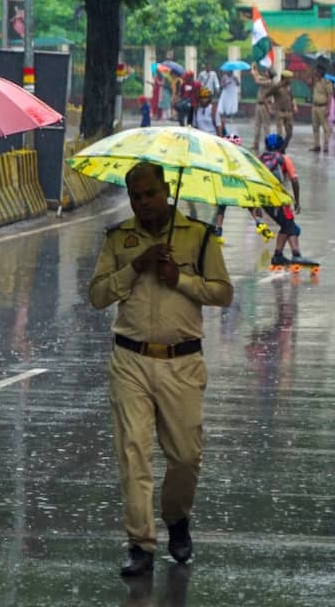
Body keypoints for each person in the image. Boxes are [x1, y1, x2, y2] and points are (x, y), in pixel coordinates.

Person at [89, 161, 233, 576]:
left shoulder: (200, 237)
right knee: (133, 453)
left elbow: (223, 293)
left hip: (182, 363)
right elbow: (97, 295)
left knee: (185, 457)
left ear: (166, 190)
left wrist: (180, 280)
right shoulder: (119, 238)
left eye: (149, 193)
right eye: (135, 196)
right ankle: (141, 543)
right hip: (130, 360)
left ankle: (177, 518)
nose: (142, 202)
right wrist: (137, 265)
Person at [258, 133, 311, 267]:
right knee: (289, 225)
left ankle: (278, 255)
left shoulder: (260, 158)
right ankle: (295, 255)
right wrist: (297, 201)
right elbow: (294, 180)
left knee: (288, 224)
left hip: (264, 199)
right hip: (278, 199)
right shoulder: (284, 158)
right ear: (282, 146)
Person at [261, 70, 296, 151]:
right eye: (289, 79)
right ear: (284, 79)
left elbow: (292, 97)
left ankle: (283, 147)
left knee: (290, 133)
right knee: (279, 133)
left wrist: (294, 106)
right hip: (279, 112)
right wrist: (269, 109)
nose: (290, 80)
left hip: (288, 112)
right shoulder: (276, 87)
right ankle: (279, 149)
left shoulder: (289, 87)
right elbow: (265, 97)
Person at [252, 65, 277, 153]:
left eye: (267, 72)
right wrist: (255, 70)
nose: (265, 72)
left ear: (269, 74)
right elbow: (258, 76)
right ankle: (256, 143)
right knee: (257, 125)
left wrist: (254, 74)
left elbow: (257, 81)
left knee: (266, 127)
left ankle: (268, 145)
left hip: (265, 106)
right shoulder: (266, 79)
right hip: (259, 105)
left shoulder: (269, 82)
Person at [308, 65, 332, 153]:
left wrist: (328, 109)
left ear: (320, 72)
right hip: (315, 107)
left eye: (317, 71)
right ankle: (316, 145)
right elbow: (311, 90)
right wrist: (310, 83)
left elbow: (330, 97)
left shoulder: (327, 82)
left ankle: (326, 146)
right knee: (315, 127)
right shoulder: (314, 82)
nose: (315, 72)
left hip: (323, 107)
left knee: (326, 128)